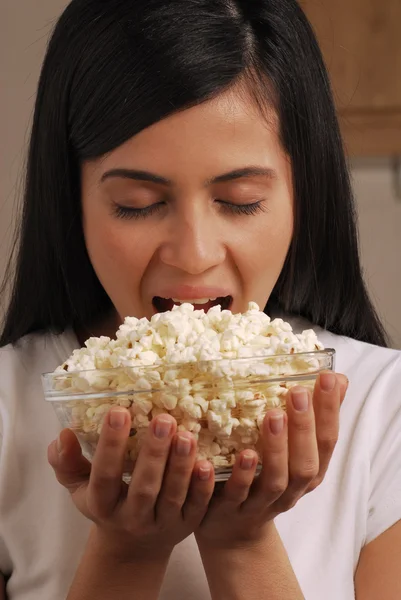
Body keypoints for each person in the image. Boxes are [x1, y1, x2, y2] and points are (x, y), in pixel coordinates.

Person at [0, 0, 400, 598]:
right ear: (72, 202)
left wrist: (242, 541)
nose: (193, 254)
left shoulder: (384, 409)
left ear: (301, 194)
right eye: (137, 204)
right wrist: (126, 550)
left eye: (240, 201)